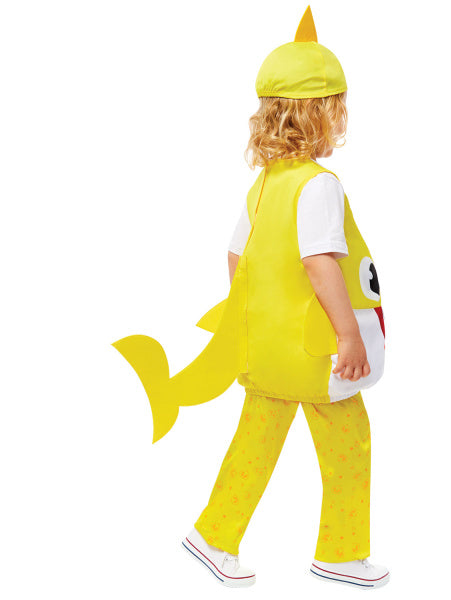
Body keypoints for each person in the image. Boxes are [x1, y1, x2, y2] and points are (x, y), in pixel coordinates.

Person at [112, 5, 388, 590]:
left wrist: (256, 317)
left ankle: (213, 535)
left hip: (270, 351)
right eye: (338, 108)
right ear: (323, 113)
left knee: (255, 444)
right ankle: (341, 553)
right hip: (316, 353)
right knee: (350, 442)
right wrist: (348, 336)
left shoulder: (264, 185)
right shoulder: (319, 185)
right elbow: (319, 263)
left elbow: (237, 257)